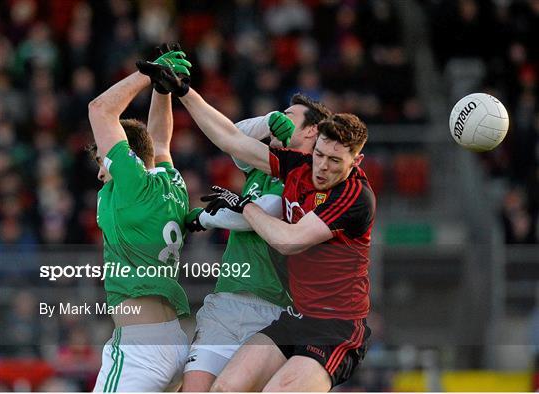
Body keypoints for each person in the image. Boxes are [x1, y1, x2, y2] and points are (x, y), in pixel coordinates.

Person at [137, 58, 375, 391]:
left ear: (356, 161)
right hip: (296, 318)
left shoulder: (354, 196)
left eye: (335, 161)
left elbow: (289, 241)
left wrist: (244, 207)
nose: (321, 167)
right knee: (222, 389)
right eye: (319, 155)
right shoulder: (299, 166)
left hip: (335, 326)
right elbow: (231, 138)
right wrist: (184, 92)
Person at [181, 95, 331, 392]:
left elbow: (256, 216)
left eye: (289, 115)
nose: (280, 118)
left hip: (271, 309)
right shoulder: (261, 167)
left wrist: (206, 218)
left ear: (312, 131)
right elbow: (233, 138)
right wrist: (267, 121)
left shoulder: (307, 177)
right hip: (227, 300)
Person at [87, 44, 192, 392]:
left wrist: (148, 74)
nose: (101, 173)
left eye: (103, 160)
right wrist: (163, 92)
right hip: (174, 339)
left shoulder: (131, 187)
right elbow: (159, 143)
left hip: (139, 348)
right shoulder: (172, 185)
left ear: (126, 157)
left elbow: (100, 110)